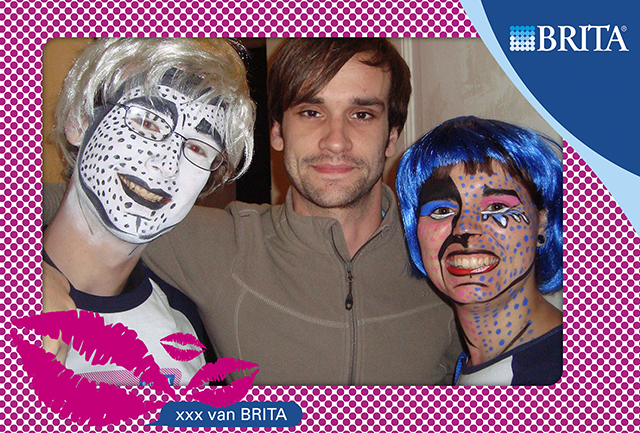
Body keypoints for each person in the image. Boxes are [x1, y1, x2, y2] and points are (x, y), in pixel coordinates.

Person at [44, 38, 461, 385]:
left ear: (392, 136)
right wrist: (36, 272)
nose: (336, 140)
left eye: (362, 114)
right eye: (311, 112)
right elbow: (77, 198)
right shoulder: (222, 244)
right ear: (277, 131)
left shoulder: (442, 257)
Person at [42, 37, 255, 386]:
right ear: (80, 121)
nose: (167, 166)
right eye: (148, 122)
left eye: (198, 149)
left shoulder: (186, 330)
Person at [396, 116, 563, 385]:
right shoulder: (467, 364)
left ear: (541, 223)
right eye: (442, 210)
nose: (464, 228)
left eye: (496, 207)